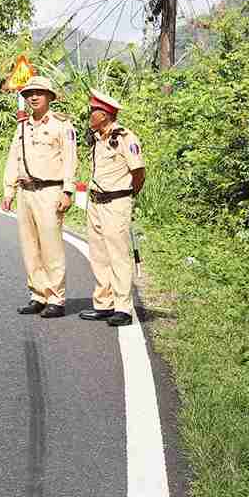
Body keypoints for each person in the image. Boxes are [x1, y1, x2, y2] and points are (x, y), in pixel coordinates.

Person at [1, 75, 77, 318]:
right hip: (26, 192)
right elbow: (14, 159)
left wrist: (67, 190)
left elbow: (70, 160)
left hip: (50, 191)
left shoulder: (62, 125)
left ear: (49, 97)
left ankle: (56, 298)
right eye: (29, 94)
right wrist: (9, 190)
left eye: (39, 93)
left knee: (51, 247)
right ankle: (38, 294)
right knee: (30, 247)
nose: (33, 97)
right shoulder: (22, 126)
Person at [79, 90, 146, 328]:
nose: (90, 115)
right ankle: (104, 304)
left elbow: (138, 172)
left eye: (93, 111)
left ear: (105, 115)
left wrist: (128, 195)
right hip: (96, 202)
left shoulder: (126, 138)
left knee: (118, 255)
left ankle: (123, 308)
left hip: (116, 202)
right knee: (98, 255)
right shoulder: (98, 138)